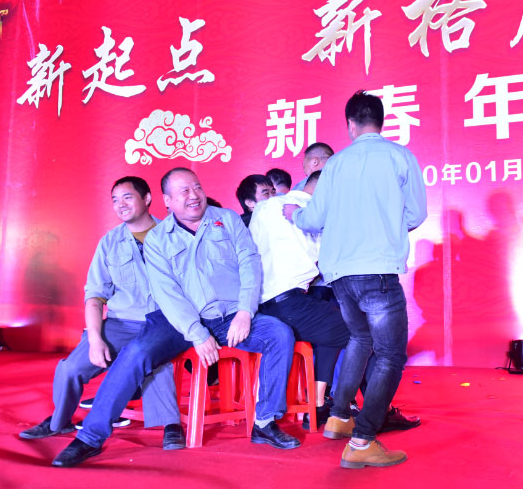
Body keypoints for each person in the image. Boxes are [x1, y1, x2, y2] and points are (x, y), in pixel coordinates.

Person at [52, 168, 297, 468]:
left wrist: (245, 311)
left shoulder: (228, 220)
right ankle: (90, 437)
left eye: (197, 187)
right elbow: (167, 294)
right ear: (167, 201)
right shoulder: (158, 239)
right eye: (183, 191)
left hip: (230, 317)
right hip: (178, 322)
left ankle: (265, 422)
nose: (193, 195)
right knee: (136, 353)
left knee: (279, 333)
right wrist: (197, 333)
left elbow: (250, 264)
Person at [284, 91, 427, 469]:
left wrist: (293, 215)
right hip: (376, 270)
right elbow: (416, 214)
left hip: (340, 275)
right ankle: (362, 439)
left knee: (360, 340)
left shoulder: (335, 164)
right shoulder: (400, 156)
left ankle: (339, 417)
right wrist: (387, 226)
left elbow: (313, 219)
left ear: (350, 124)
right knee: (390, 354)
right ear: (382, 120)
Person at [19, 176, 183, 450]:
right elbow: (94, 296)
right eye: (115, 200)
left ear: (147, 199)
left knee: (153, 357)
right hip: (120, 323)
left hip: (164, 322)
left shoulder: (173, 235)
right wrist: (95, 338)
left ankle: (171, 424)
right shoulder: (110, 242)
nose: (120, 205)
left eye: (127, 197)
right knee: (71, 367)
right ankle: (60, 420)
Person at [249, 170, 350, 428]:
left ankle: (317, 404)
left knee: (332, 327)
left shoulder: (264, 207)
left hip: (260, 305)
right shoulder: (316, 217)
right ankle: (346, 406)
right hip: (290, 303)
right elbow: (330, 262)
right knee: (358, 330)